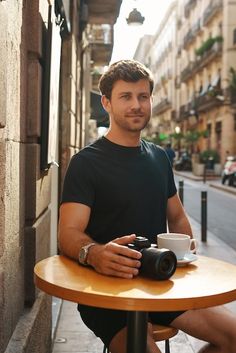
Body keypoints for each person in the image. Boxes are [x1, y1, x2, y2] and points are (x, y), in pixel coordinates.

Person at [58, 60, 236, 353]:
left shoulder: (159, 157)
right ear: (106, 103)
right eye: (125, 97)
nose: (136, 105)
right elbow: (68, 232)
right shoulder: (86, 163)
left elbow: (177, 217)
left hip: (160, 284)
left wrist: (185, 257)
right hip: (106, 295)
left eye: (143, 96)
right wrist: (94, 253)